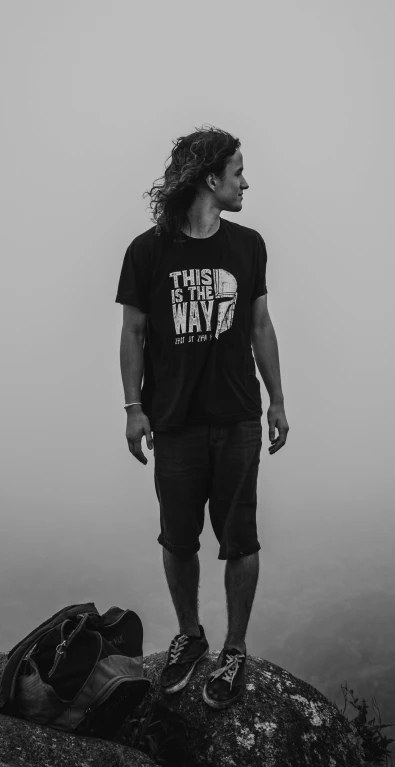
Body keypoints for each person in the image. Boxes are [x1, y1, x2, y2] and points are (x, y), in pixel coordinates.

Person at [115, 126, 288, 710]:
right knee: (178, 538)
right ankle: (190, 637)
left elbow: (260, 326)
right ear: (211, 178)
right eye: (238, 171)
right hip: (175, 421)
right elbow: (133, 331)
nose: (246, 181)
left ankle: (234, 648)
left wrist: (278, 400)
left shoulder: (249, 245)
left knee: (241, 539)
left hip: (237, 416)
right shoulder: (147, 251)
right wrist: (134, 408)